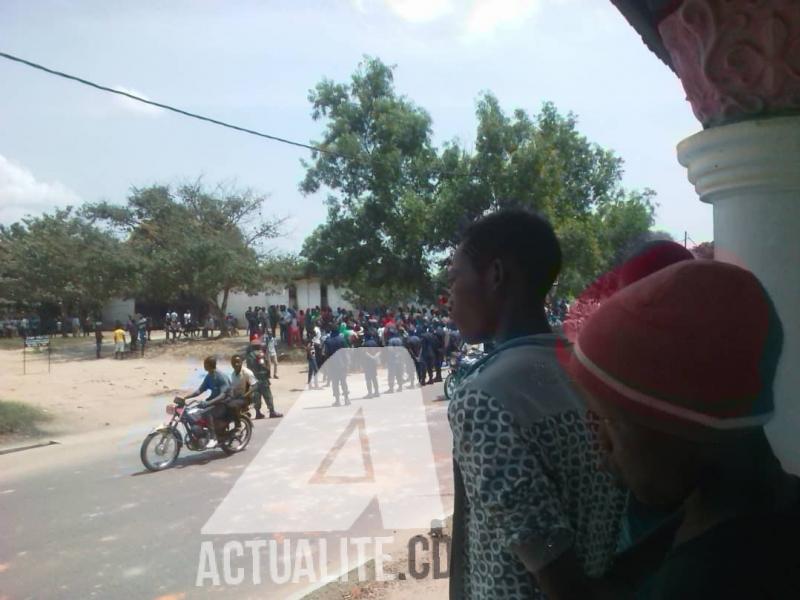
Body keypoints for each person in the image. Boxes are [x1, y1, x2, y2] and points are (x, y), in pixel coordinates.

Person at [562, 259, 798, 599]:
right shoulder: (749, 511)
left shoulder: (704, 581)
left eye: (607, 421)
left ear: (680, 427)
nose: (599, 443)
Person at [447, 209, 625, 600]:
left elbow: (545, 552)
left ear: (494, 275)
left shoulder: (484, 397)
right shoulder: (590, 371)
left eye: (455, 277)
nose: (450, 297)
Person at [177, 356, 231, 448]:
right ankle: (198, 435)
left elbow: (223, 395)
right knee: (193, 412)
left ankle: (213, 438)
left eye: (205, 364)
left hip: (225, 403)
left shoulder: (220, 376)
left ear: (209, 365)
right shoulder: (209, 376)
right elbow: (199, 391)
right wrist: (185, 397)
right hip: (214, 402)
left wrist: (208, 403)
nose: (204, 366)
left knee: (207, 412)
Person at [323, 328, 349, 406]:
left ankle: (337, 401)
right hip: (342, 364)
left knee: (335, 383)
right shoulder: (342, 340)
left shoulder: (328, 341)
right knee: (343, 382)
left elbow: (326, 354)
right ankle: (346, 399)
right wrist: (347, 363)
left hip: (332, 365)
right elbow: (345, 353)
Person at [361, 333, 380, 398]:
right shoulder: (374, 342)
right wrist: (375, 357)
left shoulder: (365, 344)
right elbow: (379, 351)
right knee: (374, 377)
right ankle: (377, 392)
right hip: (374, 362)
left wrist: (371, 357)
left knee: (368, 378)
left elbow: (365, 352)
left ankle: (370, 393)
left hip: (367, 363)